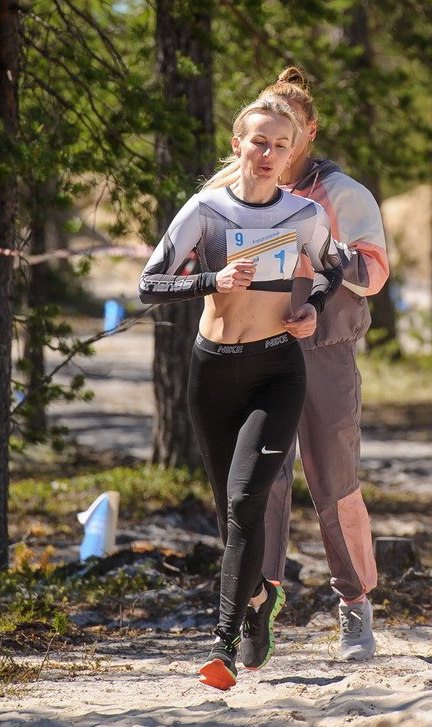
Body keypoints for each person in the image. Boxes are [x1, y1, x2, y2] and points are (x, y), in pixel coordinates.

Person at [138, 96, 343, 690]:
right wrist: (213, 279)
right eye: (259, 142)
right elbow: (150, 284)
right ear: (238, 145)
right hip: (213, 373)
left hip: (276, 370)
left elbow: (333, 267)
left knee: (246, 502)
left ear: (292, 151)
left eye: (281, 145)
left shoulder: (305, 213)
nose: (269, 154)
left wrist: (313, 306)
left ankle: (222, 647)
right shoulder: (206, 210)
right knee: (231, 518)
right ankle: (258, 597)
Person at [257, 66, 390, 662]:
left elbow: (374, 273)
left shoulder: (343, 193)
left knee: (335, 483)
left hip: (325, 352)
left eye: (289, 127)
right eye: (267, 127)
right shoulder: (239, 187)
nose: (276, 141)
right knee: (263, 481)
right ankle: (257, 605)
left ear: (308, 132)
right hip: (256, 348)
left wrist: (318, 245)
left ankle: (354, 604)